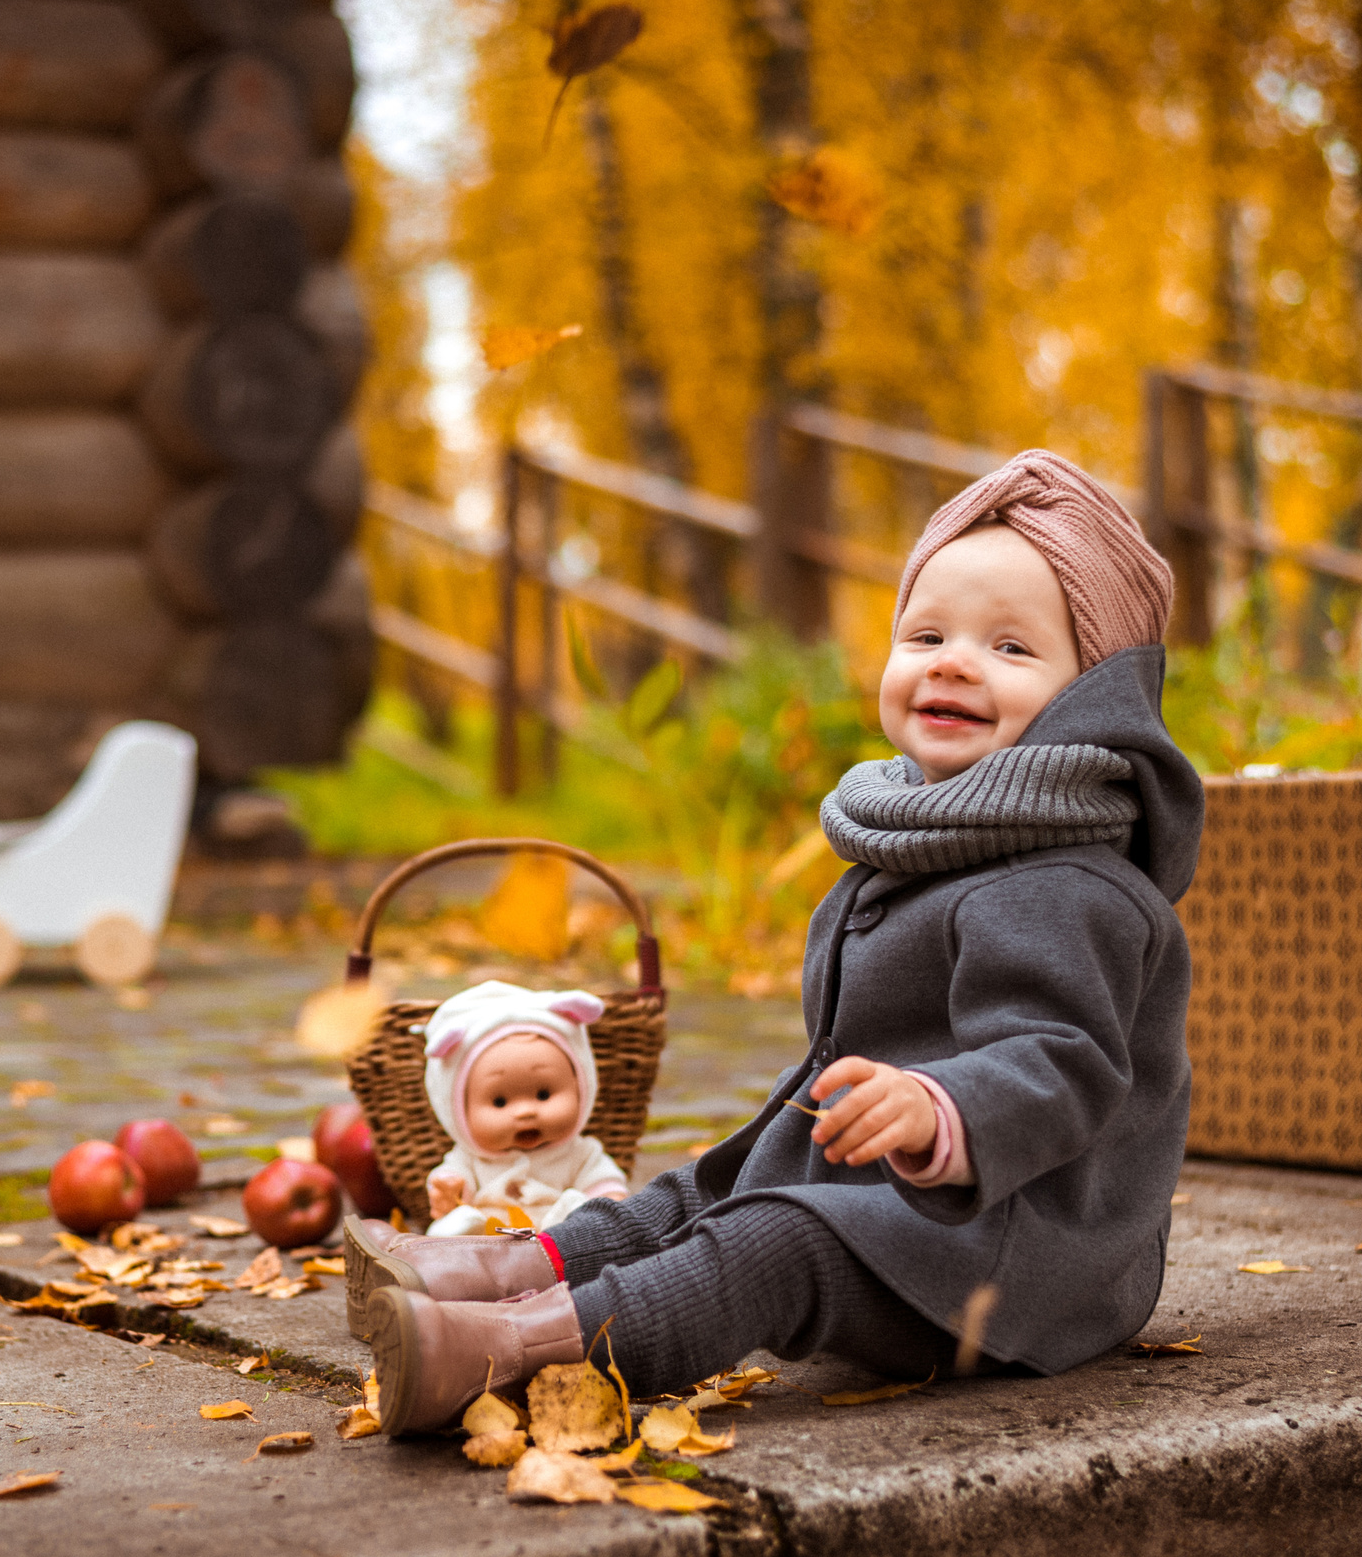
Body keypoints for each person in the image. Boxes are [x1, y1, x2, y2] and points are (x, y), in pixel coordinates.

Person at [343, 449, 1205, 1433]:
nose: (953, 661)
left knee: (768, 1240)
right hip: (902, 1203)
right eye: (925, 633)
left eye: (1012, 648)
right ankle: (493, 1266)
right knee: (704, 1186)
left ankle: (506, 1349)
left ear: (1089, 699)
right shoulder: (925, 839)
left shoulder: (1067, 881)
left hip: (1016, 1258)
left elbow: (1063, 1061)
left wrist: (936, 1104)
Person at [415, 981, 630, 1237]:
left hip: (558, 1242)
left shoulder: (580, 1153)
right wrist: (448, 1190)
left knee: (579, 1213)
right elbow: (453, 1180)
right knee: (458, 1223)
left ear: (580, 1087)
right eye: (500, 1102)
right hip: (487, 1240)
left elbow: (603, 1182)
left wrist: (610, 1198)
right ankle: (454, 1242)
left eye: (543, 1094)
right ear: (459, 1111)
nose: (526, 1111)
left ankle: (573, 1229)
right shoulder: (469, 1159)